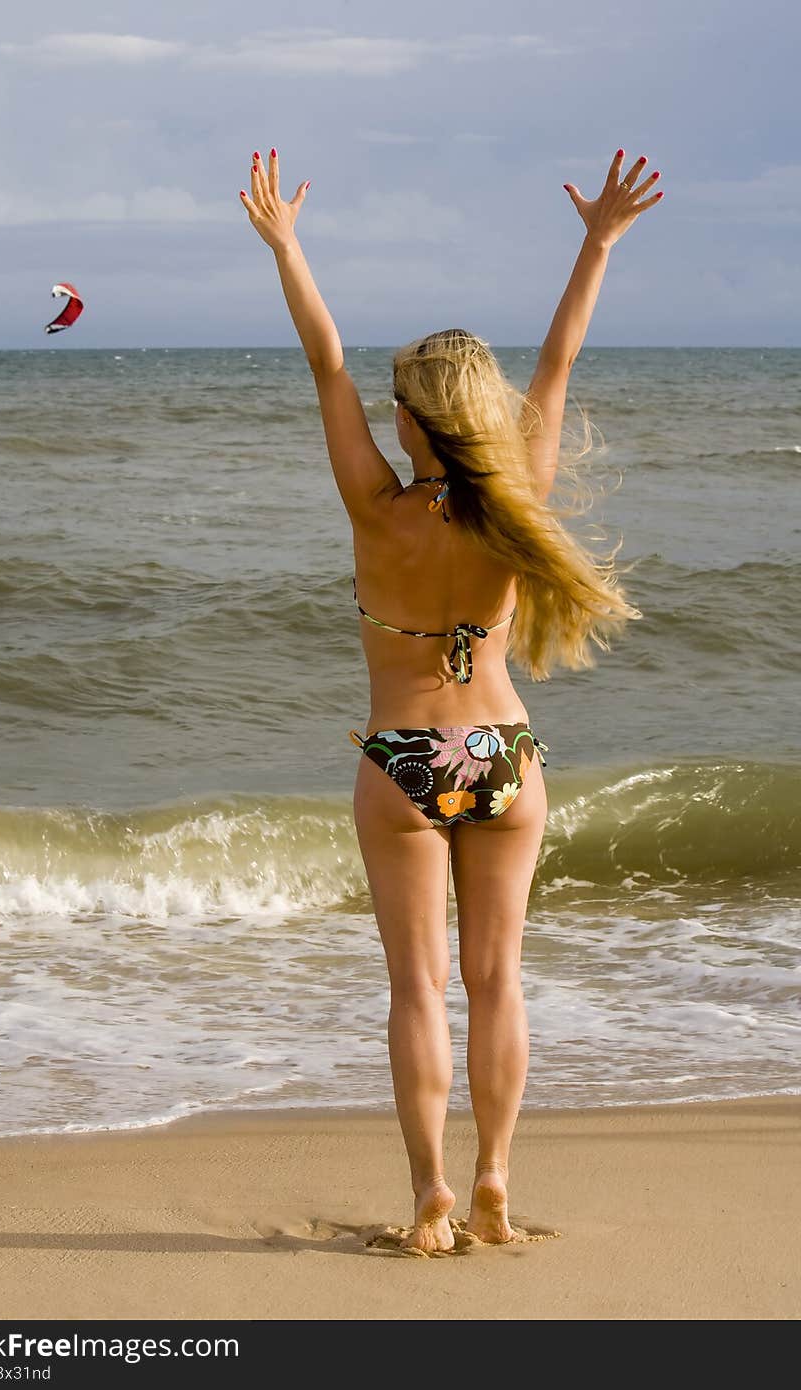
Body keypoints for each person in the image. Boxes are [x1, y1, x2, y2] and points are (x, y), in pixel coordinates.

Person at [240, 147, 658, 1252]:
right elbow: (560, 360)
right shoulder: (515, 498)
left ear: (410, 420)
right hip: (507, 760)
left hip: (405, 765)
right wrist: (597, 243)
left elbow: (325, 363)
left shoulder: (377, 507)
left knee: (418, 991)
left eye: (392, 405)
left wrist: (287, 245)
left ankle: (429, 1194)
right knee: (495, 983)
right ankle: (496, 1180)